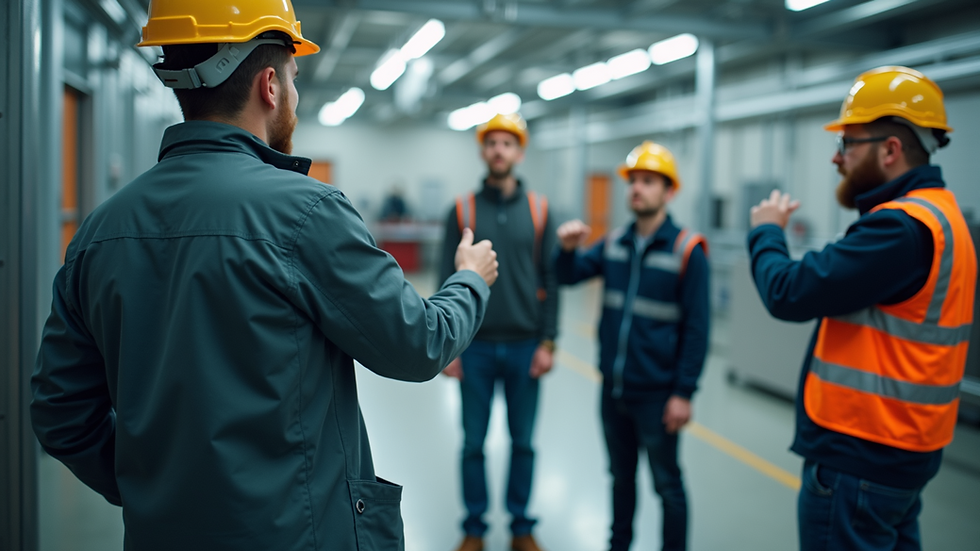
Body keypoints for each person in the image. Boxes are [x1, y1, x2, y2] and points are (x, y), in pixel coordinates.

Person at [30, 1, 499, 549]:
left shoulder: (100, 231)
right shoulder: (306, 213)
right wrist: (470, 280)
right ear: (270, 86)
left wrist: (154, 484)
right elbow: (418, 343)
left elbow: (60, 411)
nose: (295, 95)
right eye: (294, 78)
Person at [747, 66, 975, 551]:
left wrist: (766, 230)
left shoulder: (899, 230)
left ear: (890, 150)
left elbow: (787, 291)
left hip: (861, 456)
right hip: (904, 450)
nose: (837, 156)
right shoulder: (944, 216)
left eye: (848, 143)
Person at [554, 141, 710, 551]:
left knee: (667, 486)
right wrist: (566, 250)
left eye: (648, 181)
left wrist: (684, 393)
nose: (637, 188)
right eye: (633, 181)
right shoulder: (614, 243)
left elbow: (698, 329)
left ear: (669, 191)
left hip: (658, 395)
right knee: (620, 479)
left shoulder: (687, 250)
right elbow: (568, 275)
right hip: (614, 389)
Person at [439, 113, 558, 551]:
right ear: (483, 151)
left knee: (523, 443)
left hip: (526, 345)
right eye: (492, 143)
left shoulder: (540, 210)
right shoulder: (461, 210)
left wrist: (548, 341)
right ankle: (474, 528)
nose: (499, 150)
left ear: (519, 153)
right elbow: (445, 279)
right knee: (473, 443)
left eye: (507, 143)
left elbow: (551, 278)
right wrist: (448, 346)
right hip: (475, 347)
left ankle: (521, 526)